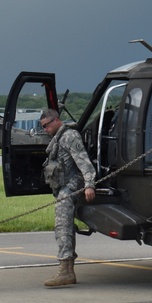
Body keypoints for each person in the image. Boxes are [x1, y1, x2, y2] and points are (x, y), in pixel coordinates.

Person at [39, 108, 96, 287]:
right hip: (63, 186)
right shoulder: (58, 137)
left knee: (62, 226)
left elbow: (83, 161)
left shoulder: (70, 136)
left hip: (71, 185)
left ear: (56, 120)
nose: (45, 129)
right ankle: (68, 270)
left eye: (46, 125)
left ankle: (65, 270)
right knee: (66, 227)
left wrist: (89, 184)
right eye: (43, 127)